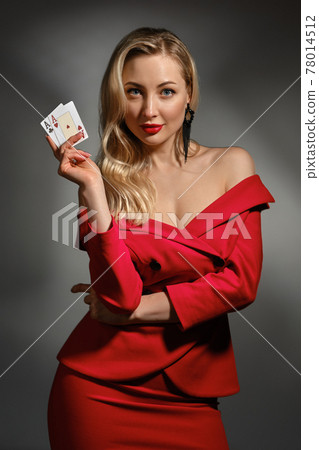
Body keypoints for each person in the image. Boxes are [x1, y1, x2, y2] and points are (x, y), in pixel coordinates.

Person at [46, 27, 275, 449]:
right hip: (95, 391)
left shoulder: (232, 164)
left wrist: (133, 314)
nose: (149, 110)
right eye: (134, 92)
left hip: (191, 393)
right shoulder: (102, 183)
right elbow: (117, 295)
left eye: (166, 91)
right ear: (118, 98)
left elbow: (241, 284)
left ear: (190, 95)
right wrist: (95, 193)